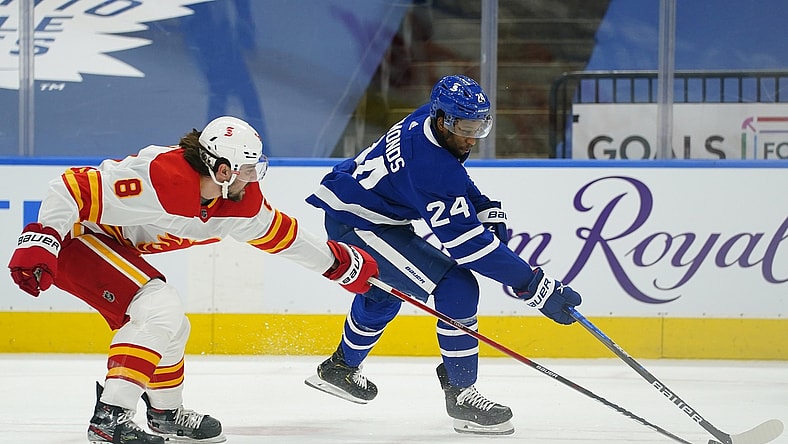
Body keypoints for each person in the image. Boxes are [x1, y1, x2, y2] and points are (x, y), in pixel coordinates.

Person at [7, 116, 378, 444]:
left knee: (172, 325)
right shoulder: (156, 177)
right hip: (77, 236)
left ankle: (165, 413)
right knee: (158, 307)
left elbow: (282, 235)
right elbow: (70, 188)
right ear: (220, 169)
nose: (254, 177)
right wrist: (42, 239)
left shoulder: (239, 205)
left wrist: (338, 264)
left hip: (109, 243)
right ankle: (111, 417)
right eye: (246, 168)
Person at [303, 75, 581, 436]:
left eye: (480, 125)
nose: (472, 136)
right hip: (358, 224)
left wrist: (481, 206)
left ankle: (340, 369)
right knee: (457, 285)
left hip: (360, 211)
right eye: (465, 126)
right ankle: (462, 394)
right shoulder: (430, 168)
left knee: (383, 296)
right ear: (443, 120)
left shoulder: (428, 121)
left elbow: (453, 176)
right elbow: (470, 249)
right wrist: (535, 286)